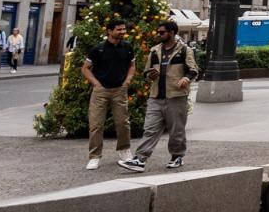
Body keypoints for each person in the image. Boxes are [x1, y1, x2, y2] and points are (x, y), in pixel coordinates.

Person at [121, 21, 200, 172]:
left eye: (162, 32)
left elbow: (193, 70)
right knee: (150, 129)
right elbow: (146, 71)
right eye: (158, 32)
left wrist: (186, 79)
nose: (159, 35)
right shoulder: (154, 50)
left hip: (176, 96)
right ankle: (140, 159)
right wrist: (150, 74)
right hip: (156, 96)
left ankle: (177, 156)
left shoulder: (184, 50)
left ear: (171, 33)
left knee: (176, 130)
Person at [83, 21, 136, 171]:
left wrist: (127, 81)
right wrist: (96, 84)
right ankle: (94, 157)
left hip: (119, 89)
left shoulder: (127, 47)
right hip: (101, 91)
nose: (122, 31)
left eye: (124, 29)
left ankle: (124, 150)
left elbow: (132, 65)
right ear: (109, 31)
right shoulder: (98, 49)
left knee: (123, 123)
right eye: (119, 29)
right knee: (96, 125)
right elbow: (85, 68)